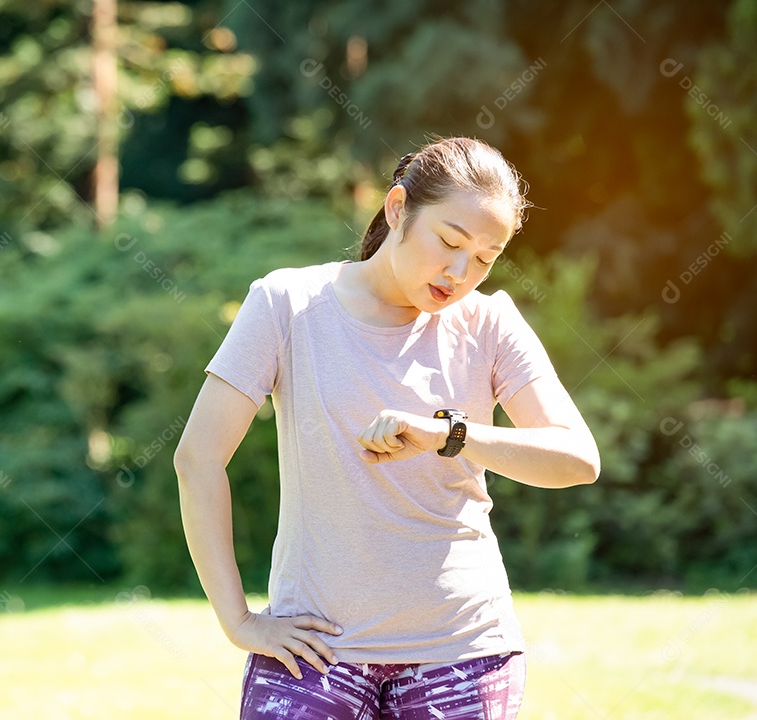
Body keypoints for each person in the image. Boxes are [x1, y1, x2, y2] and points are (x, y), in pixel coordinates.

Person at [174, 136, 600, 720]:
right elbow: (198, 458)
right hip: (314, 653)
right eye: (449, 242)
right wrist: (239, 620)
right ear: (398, 209)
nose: (459, 272)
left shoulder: (490, 324)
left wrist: (448, 434)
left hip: (464, 655)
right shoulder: (287, 304)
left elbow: (577, 458)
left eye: (484, 258)